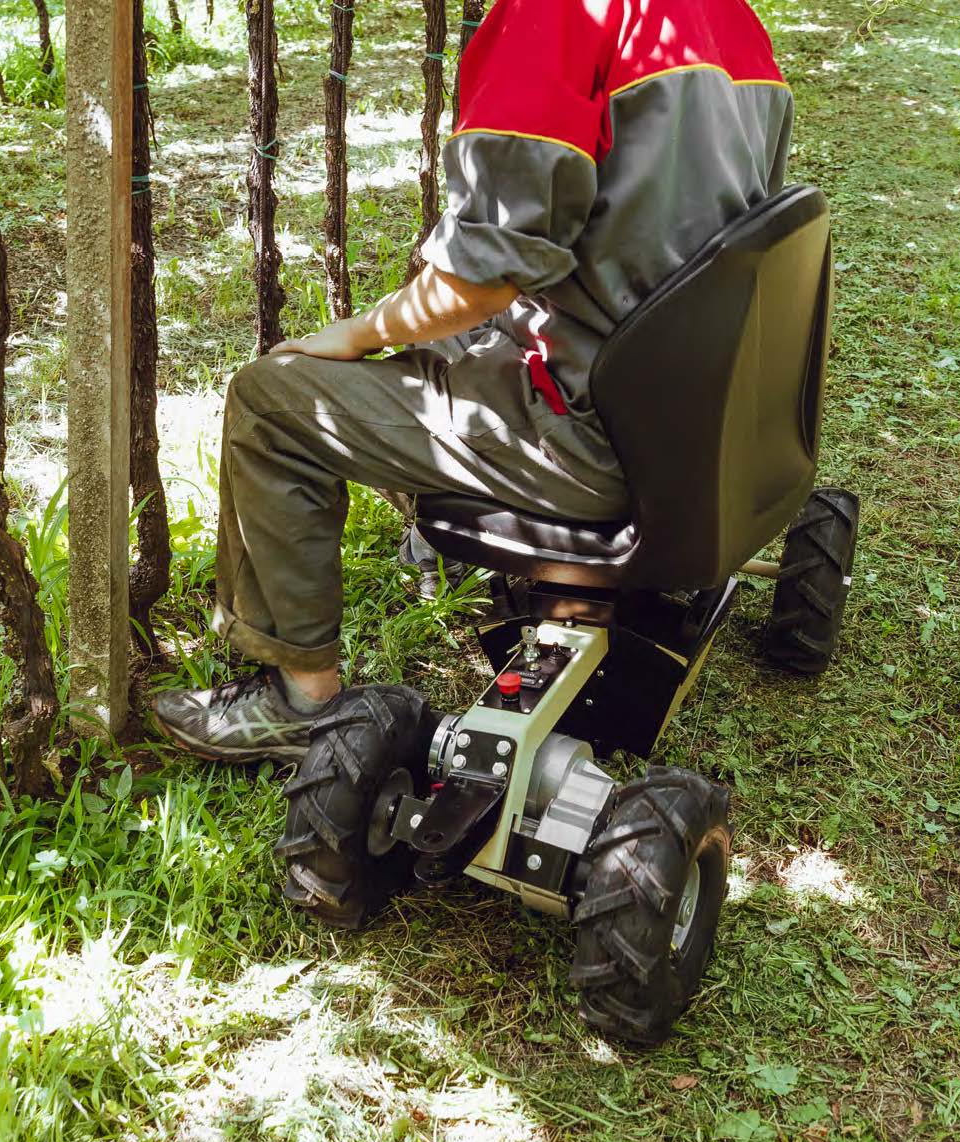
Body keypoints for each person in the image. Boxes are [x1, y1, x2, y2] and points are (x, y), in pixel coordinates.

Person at [154, 0, 794, 763]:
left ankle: (300, 701)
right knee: (467, 345)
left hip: (596, 440)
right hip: (710, 423)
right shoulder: (729, 20)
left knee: (272, 399)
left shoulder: (551, 19)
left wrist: (358, 332)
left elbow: (482, 283)